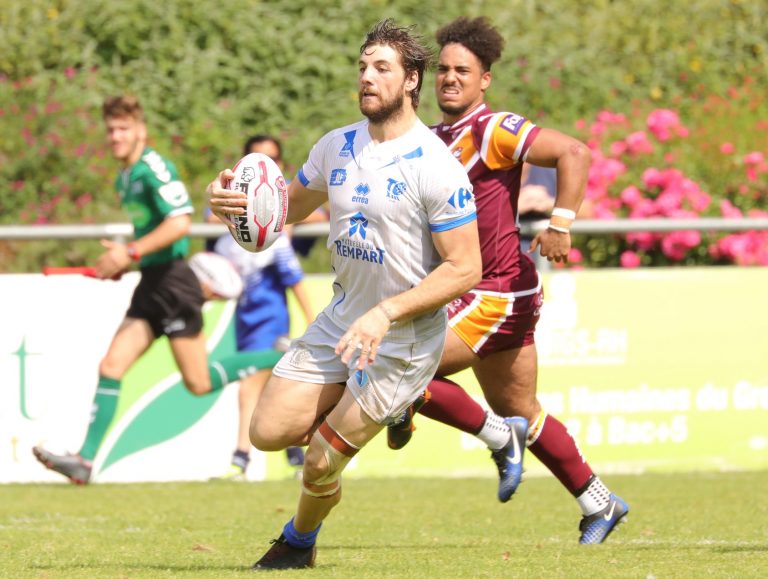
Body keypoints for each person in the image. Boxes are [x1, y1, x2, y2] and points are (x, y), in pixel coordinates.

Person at [207, 19, 482, 570]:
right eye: (362, 67)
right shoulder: (337, 145)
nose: (366, 77)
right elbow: (283, 211)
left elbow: (465, 269)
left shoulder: (436, 166)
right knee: (266, 432)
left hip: (402, 338)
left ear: (411, 80)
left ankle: (297, 542)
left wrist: (387, 312)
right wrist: (234, 206)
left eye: (381, 68)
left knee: (318, 461)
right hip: (342, 320)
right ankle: (389, 409)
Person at [386, 16, 629, 545]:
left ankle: (493, 437)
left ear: (484, 80)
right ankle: (599, 502)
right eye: (444, 69)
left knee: (399, 367)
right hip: (478, 292)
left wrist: (560, 222)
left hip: (494, 290)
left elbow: (574, 152)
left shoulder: (491, 128)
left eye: (463, 70)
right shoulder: (429, 138)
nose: (451, 78)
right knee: (520, 410)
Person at [32, 96, 281, 485]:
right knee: (111, 366)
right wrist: (129, 260)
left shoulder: (153, 167)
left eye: (123, 129)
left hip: (174, 283)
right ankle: (84, 461)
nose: (116, 136)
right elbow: (153, 235)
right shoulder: (126, 175)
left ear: (140, 131)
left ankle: (281, 356)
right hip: (152, 280)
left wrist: (129, 252)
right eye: (111, 130)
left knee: (199, 382)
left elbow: (180, 222)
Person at [207, 136, 315, 480]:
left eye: (273, 159)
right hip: (245, 322)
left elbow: (296, 281)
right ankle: (296, 459)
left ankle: (240, 461)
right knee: (270, 392)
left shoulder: (275, 241)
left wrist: (312, 322)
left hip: (271, 323)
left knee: (250, 388)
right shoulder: (234, 237)